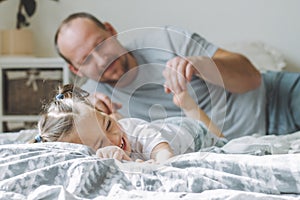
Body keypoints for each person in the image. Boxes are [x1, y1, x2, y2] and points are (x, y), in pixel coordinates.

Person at [54, 12, 300, 140]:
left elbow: (252, 77)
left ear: (111, 30)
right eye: (86, 59)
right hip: (239, 144)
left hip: (277, 99)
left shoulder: (166, 39)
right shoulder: (94, 104)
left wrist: (202, 64)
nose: (101, 60)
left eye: (101, 44)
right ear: (76, 70)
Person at [31, 84, 226, 164]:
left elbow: (165, 158)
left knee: (221, 140)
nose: (113, 140)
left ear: (103, 114)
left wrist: (148, 166)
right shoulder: (99, 158)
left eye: (108, 125)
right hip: (160, 127)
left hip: (189, 133)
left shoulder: (138, 132)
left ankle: (187, 105)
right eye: (99, 145)